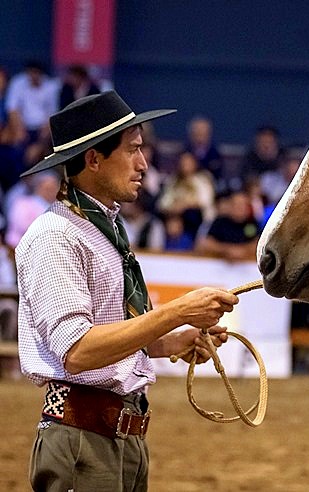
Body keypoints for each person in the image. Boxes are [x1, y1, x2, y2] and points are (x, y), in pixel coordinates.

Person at [15, 91, 239, 491]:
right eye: (133, 150)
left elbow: (112, 330)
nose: (144, 164)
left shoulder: (105, 229)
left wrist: (170, 342)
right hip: (82, 438)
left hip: (119, 437)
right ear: (93, 159)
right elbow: (79, 351)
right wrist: (176, 312)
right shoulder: (55, 235)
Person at [194, 189, 262, 261]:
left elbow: (260, 244)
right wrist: (226, 250)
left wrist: (243, 251)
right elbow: (204, 243)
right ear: (230, 206)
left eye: (243, 205)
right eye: (237, 205)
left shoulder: (253, 223)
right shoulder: (220, 223)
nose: (240, 208)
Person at [4, 61, 59, 143]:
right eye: (31, 72)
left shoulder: (51, 86)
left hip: (43, 129)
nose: (33, 76)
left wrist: (45, 134)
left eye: (36, 73)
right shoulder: (17, 83)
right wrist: (19, 129)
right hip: (22, 128)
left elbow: (53, 111)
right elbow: (12, 109)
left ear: (41, 73)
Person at [4, 169, 60, 247]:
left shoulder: (59, 205)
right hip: (19, 247)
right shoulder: (22, 203)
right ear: (38, 187)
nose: (51, 192)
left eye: (54, 188)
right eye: (48, 189)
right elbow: (23, 227)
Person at [183, 115, 223, 182]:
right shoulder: (184, 153)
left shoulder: (215, 155)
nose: (200, 138)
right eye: (198, 133)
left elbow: (217, 174)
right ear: (191, 135)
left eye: (203, 134)